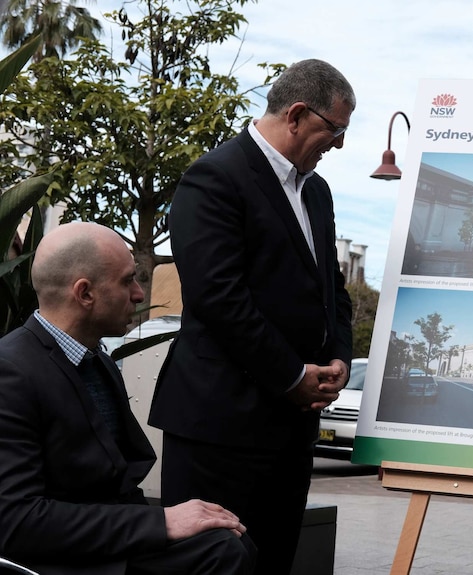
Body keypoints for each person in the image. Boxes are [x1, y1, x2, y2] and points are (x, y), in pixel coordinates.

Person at [148, 58, 354, 574]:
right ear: (298, 114)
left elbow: (334, 291)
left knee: (274, 561)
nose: (340, 145)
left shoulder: (318, 193)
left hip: (290, 431)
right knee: (211, 562)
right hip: (222, 429)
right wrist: (290, 376)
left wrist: (338, 358)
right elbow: (219, 298)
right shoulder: (214, 177)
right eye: (336, 129)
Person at [0, 222, 255, 574]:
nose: (138, 294)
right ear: (84, 293)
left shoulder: (98, 362)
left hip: (108, 543)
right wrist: (161, 523)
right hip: (57, 561)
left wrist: (172, 520)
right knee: (221, 552)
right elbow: (16, 520)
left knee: (229, 536)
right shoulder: (10, 371)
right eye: (126, 280)